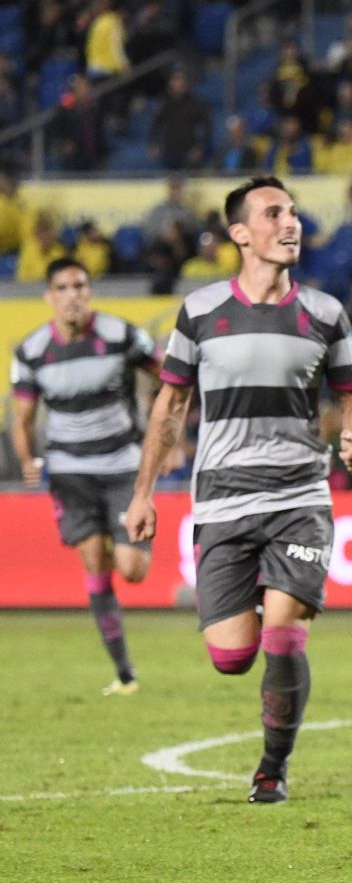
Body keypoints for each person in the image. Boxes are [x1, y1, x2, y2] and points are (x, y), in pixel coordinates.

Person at [124, 176, 352, 805]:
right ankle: (264, 598)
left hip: (299, 498)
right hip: (222, 500)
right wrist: (143, 492)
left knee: (285, 635)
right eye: (273, 213)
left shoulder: (324, 313)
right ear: (240, 233)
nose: (290, 223)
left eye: (293, 212)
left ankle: (272, 768)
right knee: (232, 657)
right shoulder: (201, 312)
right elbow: (170, 407)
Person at [9, 258, 161, 695]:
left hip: (123, 467)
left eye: (79, 285)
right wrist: (28, 460)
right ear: (49, 297)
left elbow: (169, 375)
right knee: (94, 563)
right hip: (71, 471)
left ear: (89, 292)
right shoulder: (32, 351)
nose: (72, 294)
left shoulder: (123, 336)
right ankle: (124, 672)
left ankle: (115, 541)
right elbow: (22, 418)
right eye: (62, 287)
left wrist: (162, 433)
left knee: (133, 570)